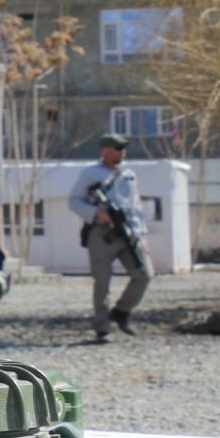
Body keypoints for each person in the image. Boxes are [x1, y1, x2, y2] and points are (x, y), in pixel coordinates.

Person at [69, 132, 151, 341]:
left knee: (144, 273)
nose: (122, 152)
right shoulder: (91, 173)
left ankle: (121, 312)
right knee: (102, 282)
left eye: (123, 149)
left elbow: (136, 205)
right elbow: (74, 201)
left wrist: (142, 234)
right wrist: (97, 213)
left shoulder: (129, 174)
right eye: (117, 148)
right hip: (102, 233)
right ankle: (102, 327)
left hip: (128, 231)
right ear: (105, 151)